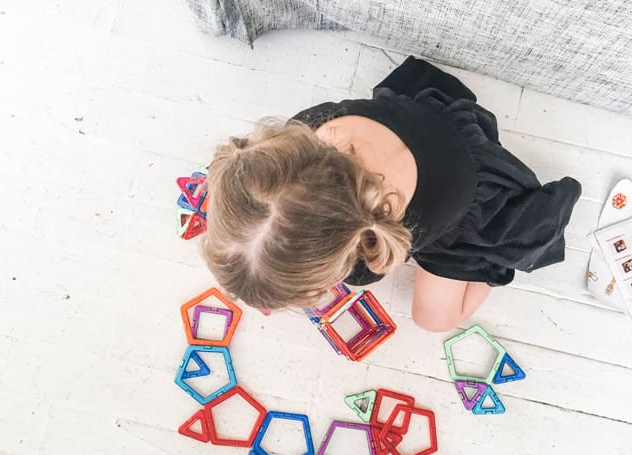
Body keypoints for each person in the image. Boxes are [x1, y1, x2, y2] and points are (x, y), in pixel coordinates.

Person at [203, 56, 581, 331]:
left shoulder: (386, 237)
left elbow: (376, 264)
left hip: (465, 206)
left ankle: (489, 267)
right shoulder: (306, 126)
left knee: (434, 319)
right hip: (421, 125)